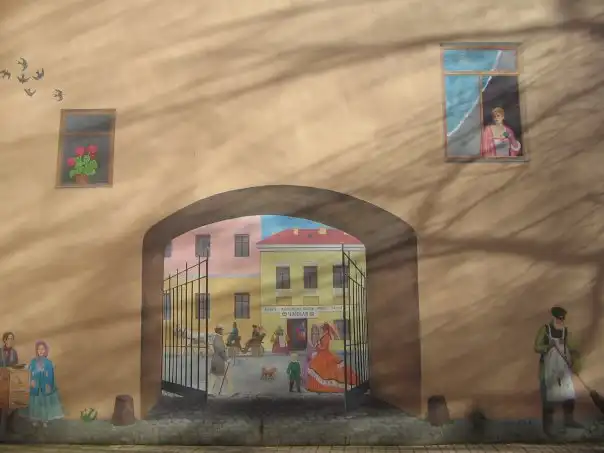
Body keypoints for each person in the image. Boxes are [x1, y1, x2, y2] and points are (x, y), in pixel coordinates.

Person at [534, 306, 583, 435]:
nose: (560, 321)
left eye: (562, 319)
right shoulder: (545, 330)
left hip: (563, 368)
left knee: (569, 395)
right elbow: (537, 347)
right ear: (553, 317)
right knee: (549, 399)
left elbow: (572, 348)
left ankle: (569, 420)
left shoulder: (566, 331)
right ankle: (548, 428)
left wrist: (575, 362)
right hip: (549, 369)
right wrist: (548, 346)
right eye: (558, 318)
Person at [20, 341, 64, 427]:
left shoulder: (48, 362)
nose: (41, 351)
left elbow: (50, 375)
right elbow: (30, 371)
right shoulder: (33, 361)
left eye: (42, 349)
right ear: (36, 350)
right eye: (39, 349)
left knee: (44, 403)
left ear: (46, 350)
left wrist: (48, 384)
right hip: (35, 386)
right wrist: (31, 380)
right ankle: (35, 419)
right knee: (35, 403)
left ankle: (44, 419)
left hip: (45, 385)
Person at [306, 322, 358, 393]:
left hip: (324, 354)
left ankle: (322, 387)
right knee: (315, 366)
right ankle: (315, 386)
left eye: (321, 328)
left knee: (322, 368)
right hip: (321, 355)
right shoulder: (324, 335)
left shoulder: (326, 336)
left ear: (325, 329)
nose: (320, 330)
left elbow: (324, 347)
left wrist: (317, 345)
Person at [208, 325, 232, 396]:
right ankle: (219, 392)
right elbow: (220, 350)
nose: (222, 331)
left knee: (214, 376)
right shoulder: (218, 338)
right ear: (218, 330)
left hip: (216, 360)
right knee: (219, 376)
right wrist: (227, 359)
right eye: (221, 329)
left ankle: (211, 391)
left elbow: (221, 349)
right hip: (218, 361)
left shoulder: (218, 338)